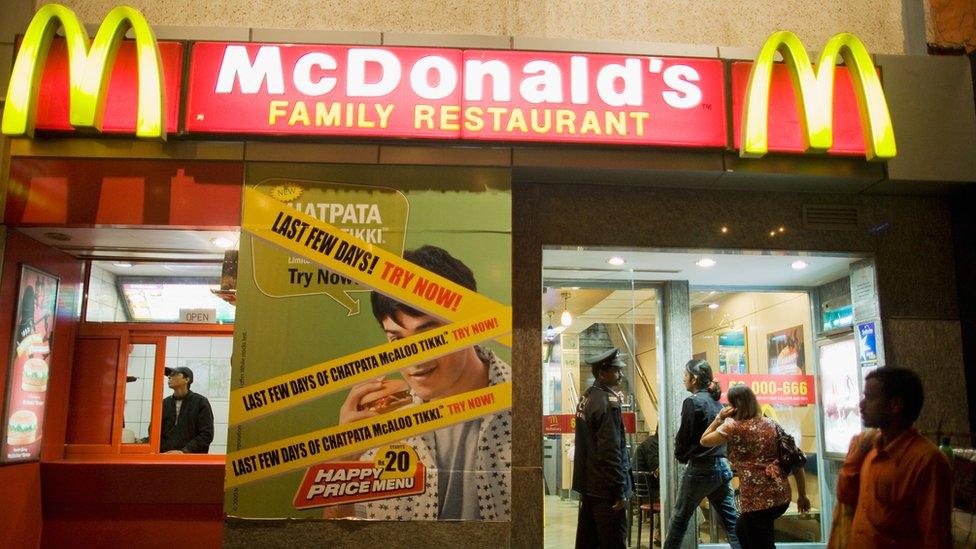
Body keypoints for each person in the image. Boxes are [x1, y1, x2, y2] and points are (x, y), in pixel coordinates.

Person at [338, 245, 511, 520]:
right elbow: (342, 534)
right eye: (396, 339)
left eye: (429, 337)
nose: (413, 360)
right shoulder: (381, 417)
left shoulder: (521, 403)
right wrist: (344, 458)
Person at [829, 366, 952, 548]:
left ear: (895, 405)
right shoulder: (870, 451)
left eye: (870, 398)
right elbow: (845, 496)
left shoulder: (927, 461)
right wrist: (857, 456)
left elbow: (935, 536)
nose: (861, 405)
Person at [701, 384, 810, 548]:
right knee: (742, 531)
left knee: (759, 541)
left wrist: (719, 418)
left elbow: (704, 440)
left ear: (735, 406)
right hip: (780, 495)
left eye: (730, 404)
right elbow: (795, 459)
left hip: (757, 500)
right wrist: (802, 495)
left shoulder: (732, 427)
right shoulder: (771, 424)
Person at [664, 359, 740, 549]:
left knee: (680, 519)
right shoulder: (719, 404)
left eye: (685, 375)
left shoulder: (692, 402)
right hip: (722, 468)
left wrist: (681, 456)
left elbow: (684, 436)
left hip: (700, 468)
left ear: (694, 378)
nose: (683, 378)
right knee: (731, 523)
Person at [572, 348, 633, 549]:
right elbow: (610, 450)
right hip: (606, 488)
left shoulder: (587, 397)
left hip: (589, 484)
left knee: (588, 540)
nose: (620, 374)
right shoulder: (607, 403)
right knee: (613, 540)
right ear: (602, 373)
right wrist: (619, 489)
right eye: (616, 370)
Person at [160, 366, 214, 454]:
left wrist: (184, 451)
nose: (169, 377)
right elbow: (155, 432)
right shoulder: (164, 403)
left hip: (192, 460)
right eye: (168, 375)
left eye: (174, 374)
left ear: (187, 379)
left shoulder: (200, 402)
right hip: (166, 457)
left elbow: (206, 434)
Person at [634, 429, 661, 544]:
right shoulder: (653, 445)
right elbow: (659, 471)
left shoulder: (652, 442)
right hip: (648, 493)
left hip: (641, 491)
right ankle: (663, 533)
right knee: (681, 497)